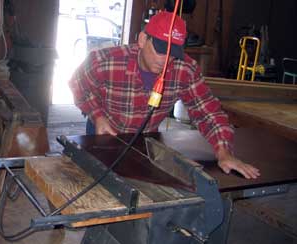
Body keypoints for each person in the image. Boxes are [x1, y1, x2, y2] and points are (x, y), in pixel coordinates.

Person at [69, 11, 260, 179]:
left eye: (173, 53)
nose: (166, 61)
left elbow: (208, 112)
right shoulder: (105, 61)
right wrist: (97, 115)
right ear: (143, 40)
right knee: (99, 182)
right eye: (161, 51)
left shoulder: (184, 69)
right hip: (105, 131)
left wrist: (223, 152)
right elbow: (78, 83)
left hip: (146, 139)